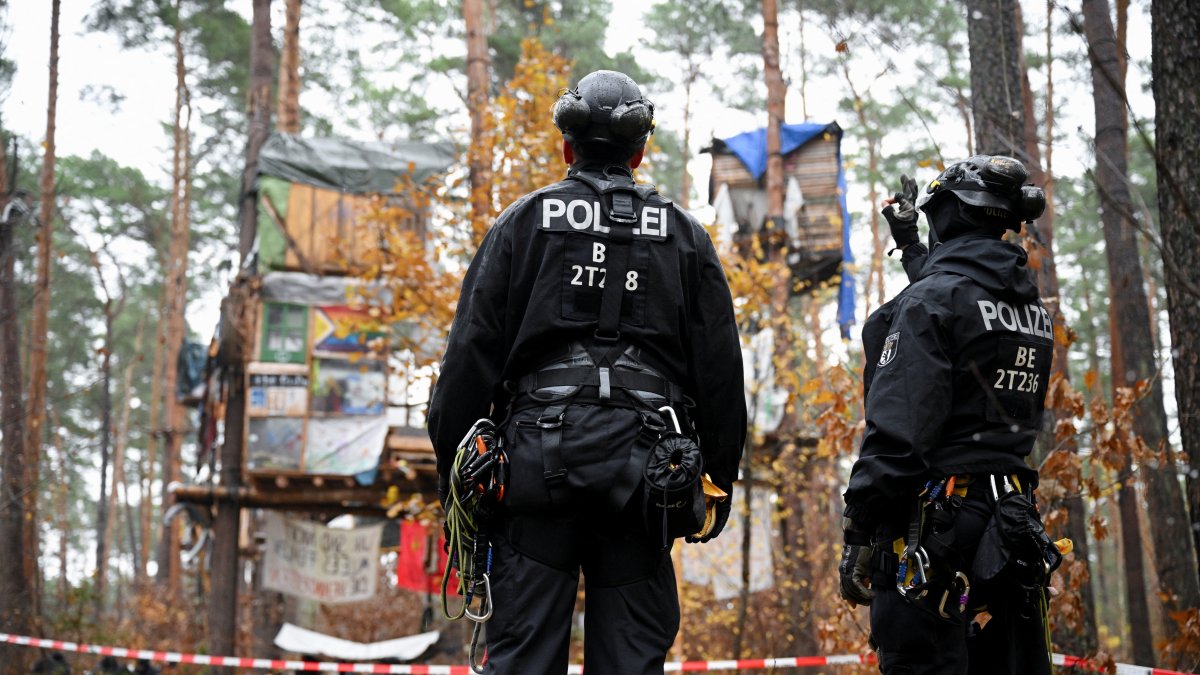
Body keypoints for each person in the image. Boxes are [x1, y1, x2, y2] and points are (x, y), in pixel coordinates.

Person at [427, 69, 746, 674]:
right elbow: (721, 374)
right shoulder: (685, 236)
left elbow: (469, 357)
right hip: (647, 480)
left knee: (522, 661)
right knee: (630, 660)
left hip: (534, 474)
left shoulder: (521, 224)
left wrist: (456, 477)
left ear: (567, 148)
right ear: (641, 151)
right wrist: (720, 477)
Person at [839, 155, 1062, 674]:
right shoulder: (1029, 309)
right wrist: (911, 246)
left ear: (952, 215)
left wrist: (858, 528)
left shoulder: (931, 304)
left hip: (934, 531)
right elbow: (962, 295)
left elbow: (899, 436)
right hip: (1009, 526)